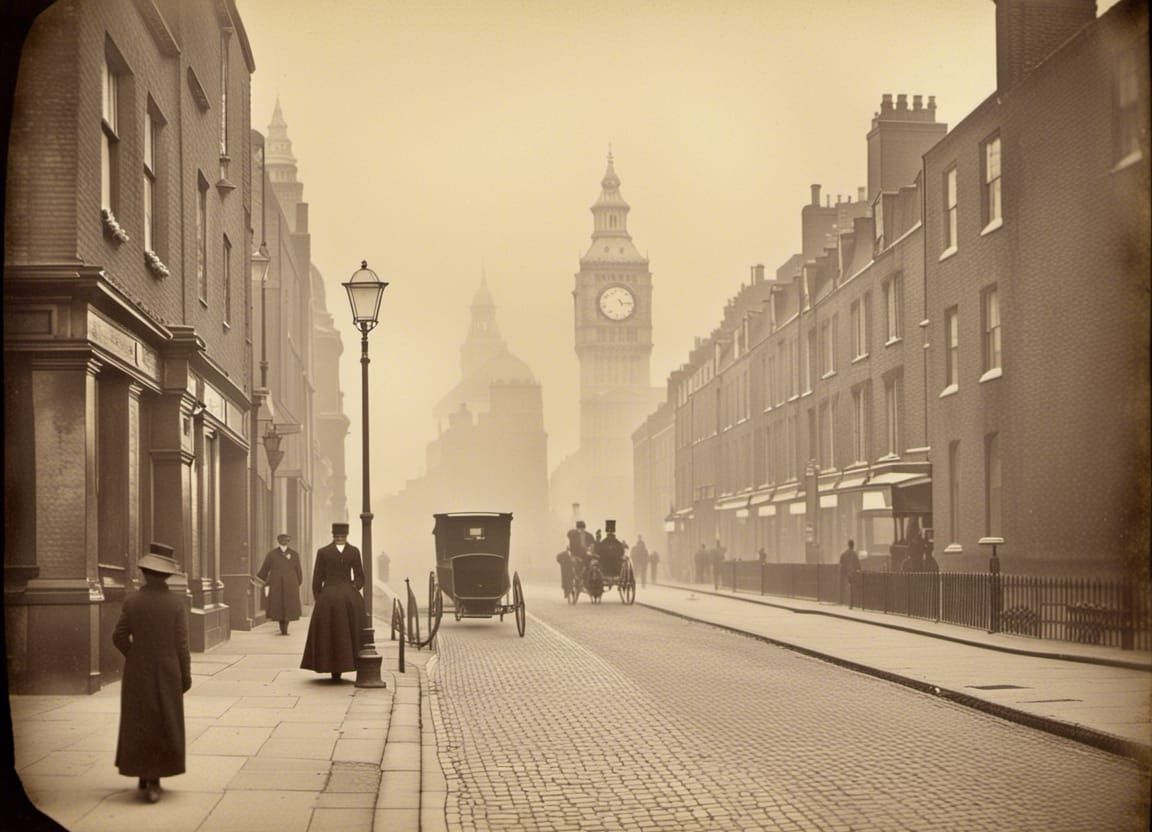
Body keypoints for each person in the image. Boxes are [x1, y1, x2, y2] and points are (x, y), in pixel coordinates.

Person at [113, 542, 192, 803]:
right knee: (163, 721)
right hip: (168, 669)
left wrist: (134, 655)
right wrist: (185, 674)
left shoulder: (132, 601)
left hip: (137, 670)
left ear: (145, 573)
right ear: (167, 575)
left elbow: (119, 636)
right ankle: (155, 779)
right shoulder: (176, 604)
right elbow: (182, 644)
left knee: (139, 720)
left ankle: (141, 774)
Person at [301, 522, 365, 681]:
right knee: (328, 633)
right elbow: (317, 577)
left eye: (342, 537)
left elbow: (360, 576)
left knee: (349, 631)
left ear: (347, 536)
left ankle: (348, 665)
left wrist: (354, 588)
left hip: (347, 597)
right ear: (333, 536)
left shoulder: (354, 552)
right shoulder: (323, 552)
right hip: (328, 597)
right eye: (337, 537)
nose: (340, 539)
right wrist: (320, 597)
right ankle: (331, 669)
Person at [258, 533, 303, 635]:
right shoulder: (272, 554)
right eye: (282, 540)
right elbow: (265, 569)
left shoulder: (294, 554)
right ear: (278, 541)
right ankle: (282, 628)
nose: (284, 542)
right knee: (278, 606)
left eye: (286, 540)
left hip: (290, 585)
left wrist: (296, 583)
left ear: (289, 541)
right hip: (276, 584)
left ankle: (285, 628)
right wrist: (260, 579)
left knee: (288, 606)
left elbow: (298, 571)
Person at [839, 539, 861, 607]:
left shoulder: (844, 554)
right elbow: (858, 565)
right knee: (853, 588)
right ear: (853, 545)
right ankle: (851, 603)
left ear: (848, 545)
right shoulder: (855, 554)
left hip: (845, 573)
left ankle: (843, 601)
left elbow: (841, 563)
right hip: (853, 573)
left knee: (845, 588)